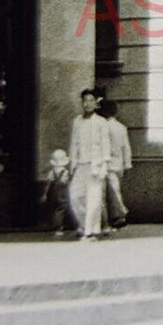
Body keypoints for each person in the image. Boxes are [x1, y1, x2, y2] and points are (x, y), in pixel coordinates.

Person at [67, 87, 111, 241]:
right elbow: (74, 144)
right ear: (82, 103)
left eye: (91, 100)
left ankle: (90, 232)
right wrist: (72, 165)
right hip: (80, 165)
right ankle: (84, 225)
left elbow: (106, 144)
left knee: (94, 199)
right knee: (75, 197)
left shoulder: (101, 122)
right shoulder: (77, 121)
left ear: (96, 103)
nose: (87, 104)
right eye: (85, 101)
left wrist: (104, 165)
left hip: (96, 165)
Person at [101, 99, 132, 232]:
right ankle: (119, 215)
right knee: (115, 189)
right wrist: (127, 163)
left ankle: (119, 215)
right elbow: (126, 147)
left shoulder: (104, 127)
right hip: (118, 164)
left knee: (111, 192)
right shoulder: (121, 127)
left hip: (107, 163)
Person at [43, 148, 75, 237]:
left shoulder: (51, 172)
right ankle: (60, 226)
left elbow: (48, 184)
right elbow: (68, 183)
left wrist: (45, 194)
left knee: (55, 210)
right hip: (63, 194)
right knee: (62, 209)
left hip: (53, 194)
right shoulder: (65, 172)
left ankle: (57, 226)